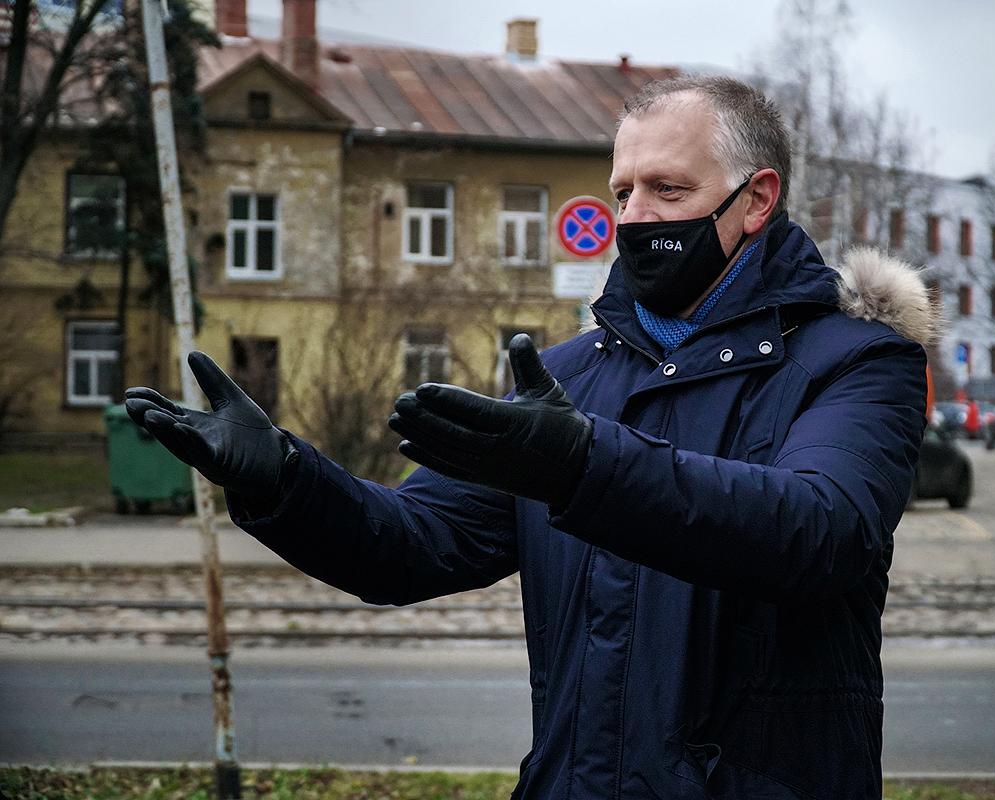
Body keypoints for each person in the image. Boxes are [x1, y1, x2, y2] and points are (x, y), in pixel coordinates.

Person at [125, 76, 933, 799]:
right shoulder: (571, 378)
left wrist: (587, 466)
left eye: (668, 189)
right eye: (622, 192)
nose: (635, 217)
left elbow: (820, 530)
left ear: (757, 200)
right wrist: (283, 480)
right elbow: (413, 543)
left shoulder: (859, 361)